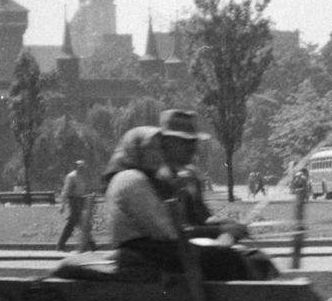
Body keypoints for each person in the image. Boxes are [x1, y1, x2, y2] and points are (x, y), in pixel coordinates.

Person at [103, 119, 270, 280]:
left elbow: (193, 219)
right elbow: (164, 231)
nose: (157, 154)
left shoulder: (149, 178)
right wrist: (216, 234)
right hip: (145, 252)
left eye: (159, 148)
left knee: (238, 256)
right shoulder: (132, 179)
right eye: (150, 148)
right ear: (135, 150)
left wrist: (218, 229)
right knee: (225, 257)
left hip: (152, 249)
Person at [56, 158, 89, 252]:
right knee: (78, 222)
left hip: (80, 200)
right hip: (73, 201)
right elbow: (65, 191)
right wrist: (62, 205)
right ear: (77, 167)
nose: (82, 169)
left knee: (74, 223)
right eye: (80, 167)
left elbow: (81, 190)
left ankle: (61, 245)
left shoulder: (82, 177)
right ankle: (90, 244)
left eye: (83, 168)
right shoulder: (71, 176)